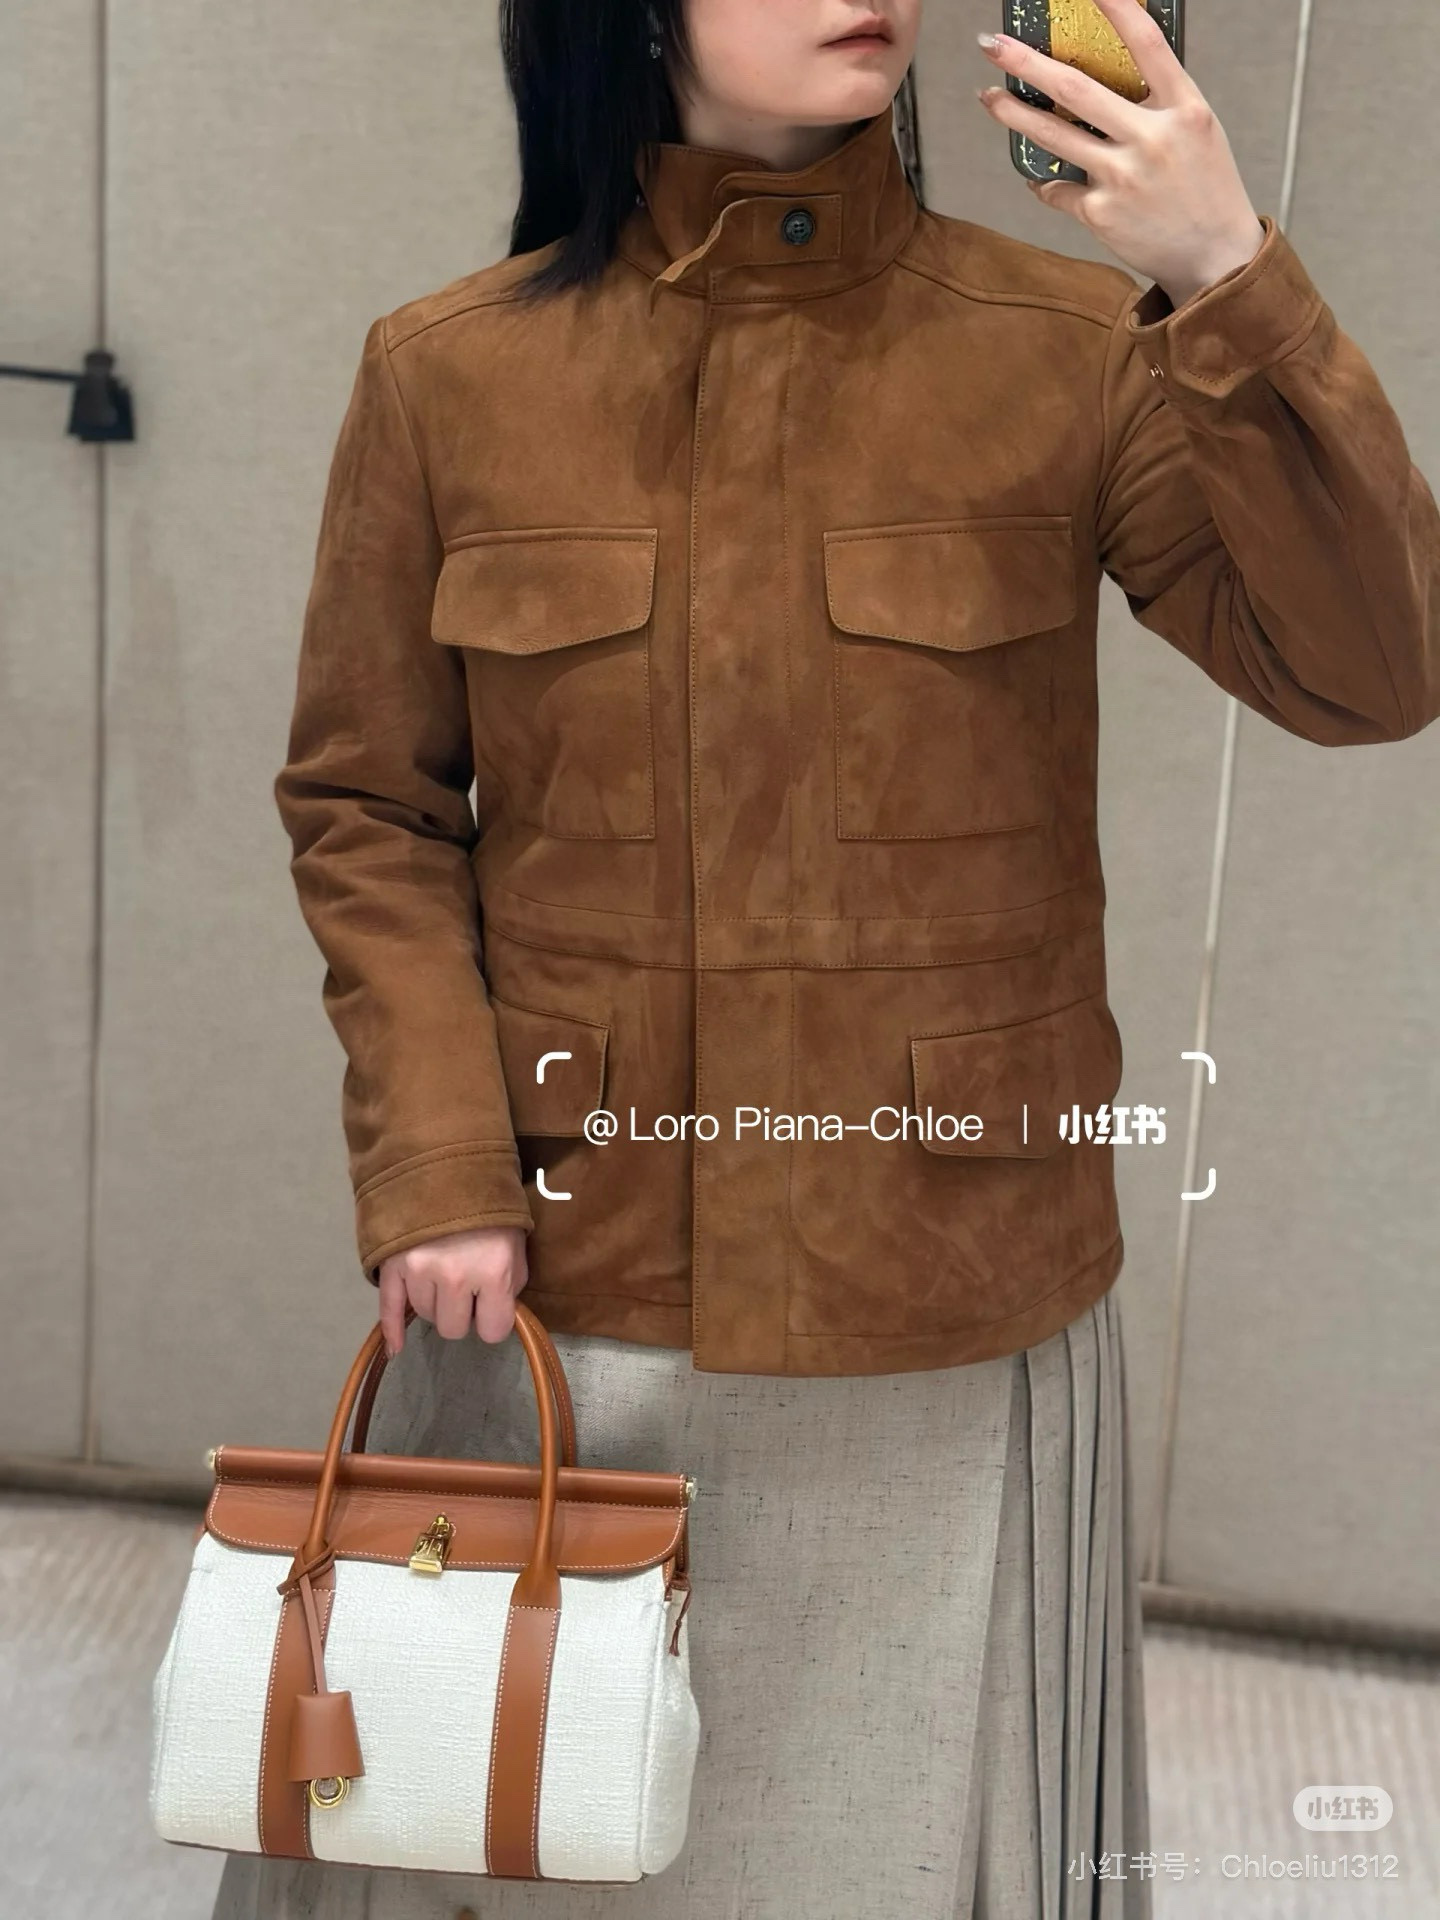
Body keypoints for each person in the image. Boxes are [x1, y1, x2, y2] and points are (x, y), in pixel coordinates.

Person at [212, 0, 1440, 1914]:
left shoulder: (1064, 349)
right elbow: (371, 806)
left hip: (948, 1288)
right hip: (568, 1272)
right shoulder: (453, 371)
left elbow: (1371, 671)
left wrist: (1226, 273)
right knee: (519, 1830)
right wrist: (436, 1165)